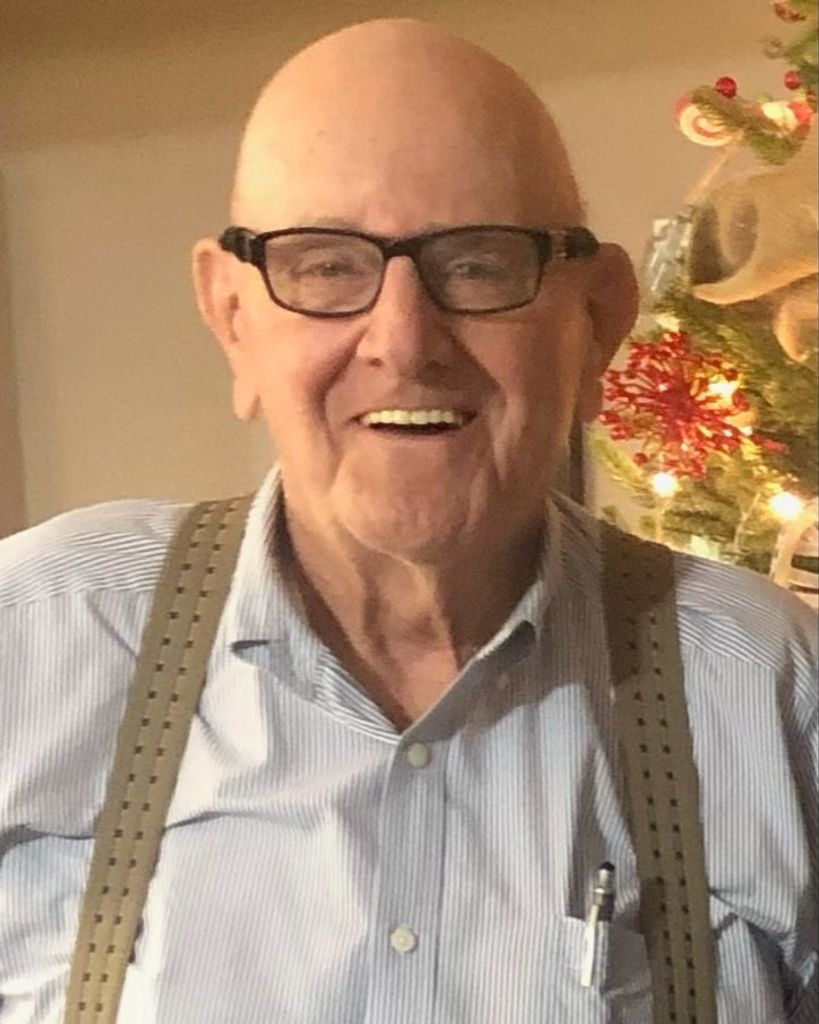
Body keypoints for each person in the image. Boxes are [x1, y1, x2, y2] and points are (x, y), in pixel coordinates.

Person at [0, 18, 816, 1024]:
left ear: (597, 318)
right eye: (324, 266)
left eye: (477, 264)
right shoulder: (35, 640)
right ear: (233, 319)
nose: (402, 339)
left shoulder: (769, 691)